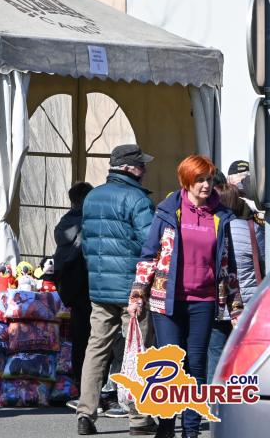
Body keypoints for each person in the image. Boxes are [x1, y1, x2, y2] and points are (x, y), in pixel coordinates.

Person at [130, 155, 244, 438]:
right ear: (186, 181)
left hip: (204, 301)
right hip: (166, 301)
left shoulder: (221, 216)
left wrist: (236, 308)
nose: (206, 185)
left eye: (209, 180)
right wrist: (137, 293)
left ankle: (190, 431)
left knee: (196, 364)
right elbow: (149, 255)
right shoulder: (168, 212)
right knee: (170, 365)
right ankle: (166, 427)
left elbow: (228, 266)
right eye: (200, 180)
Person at [77, 144, 157, 436]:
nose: (145, 169)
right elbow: (150, 243)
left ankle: (85, 413)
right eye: (141, 165)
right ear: (128, 168)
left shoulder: (92, 197)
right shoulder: (137, 199)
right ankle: (139, 418)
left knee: (96, 348)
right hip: (132, 288)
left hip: (100, 287)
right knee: (138, 350)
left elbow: (86, 243)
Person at [207, 183, 264, 383]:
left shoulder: (210, 228)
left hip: (218, 303)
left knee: (215, 354)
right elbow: (264, 263)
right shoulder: (253, 229)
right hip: (248, 306)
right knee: (246, 357)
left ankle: (213, 396)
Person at [53, 181, 93, 392]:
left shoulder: (63, 223)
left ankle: (78, 380)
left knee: (79, 335)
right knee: (98, 337)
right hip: (89, 283)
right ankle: (94, 383)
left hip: (71, 286)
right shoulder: (90, 222)